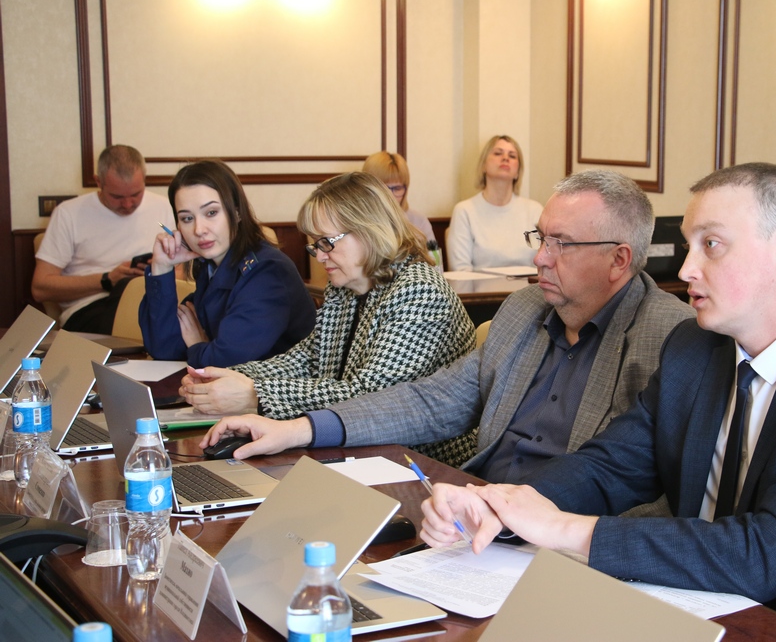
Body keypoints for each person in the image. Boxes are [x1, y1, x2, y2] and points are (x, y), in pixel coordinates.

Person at [419, 163, 776, 612]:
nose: (688, 268)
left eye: (712, 245)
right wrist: (500, 505)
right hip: (706, 605)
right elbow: (611, 466)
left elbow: (769, 555)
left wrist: (564, 529)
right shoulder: (696, 347)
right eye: (688, 246)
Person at [200, 170, 695, 480]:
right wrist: (299, 430)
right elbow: (432, 401)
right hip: (471, 501)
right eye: (540, 238)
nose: (539, 257)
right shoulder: (524, 310)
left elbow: (648, 487)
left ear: (618, 260)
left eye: (560, 244)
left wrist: (261, 396)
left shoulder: (668, 337)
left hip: (558, 535)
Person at [179, 171, 475, 420]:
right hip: (361, 441)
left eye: (326, 243)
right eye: (315, 245)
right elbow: (306, 360)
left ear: (369, 230)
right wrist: (219, 378)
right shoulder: (345, 287)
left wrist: (255, 394)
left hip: (422, 456)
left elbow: (372, 397)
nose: (320, 256)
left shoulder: (419, 291)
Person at [138, 159, 316, 368]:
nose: (199, 230)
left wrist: (197, 345)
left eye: (211, 213)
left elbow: (226, 360)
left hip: (276, 388)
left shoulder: (268, 272)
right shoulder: (210, 265)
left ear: (237, 212)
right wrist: (161, 268)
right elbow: (164, 348)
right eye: (187, 218)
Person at [32, 145, 174, 333]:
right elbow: (40, 288)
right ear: (98, 182)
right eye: (117, 196)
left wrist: (154, 274)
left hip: (150, 300)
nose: (128, 204)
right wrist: (107, 280)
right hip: (91, 308)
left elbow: (181, 270)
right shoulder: (68, 214)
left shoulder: (164, 207)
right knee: (134, 308)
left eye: (136, 194)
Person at [446, 135, 543, 271]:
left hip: (529, 284)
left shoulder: (535, 210)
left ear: (518, 172)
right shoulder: (464, 210)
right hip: (479, 285)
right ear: (483, 165)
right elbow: (460, 270)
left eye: (512, 156)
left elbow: (545, 263)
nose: (505, 158)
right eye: (498, 153)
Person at [362, 151, 436, 244]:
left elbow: (432, 253)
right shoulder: (357, 220)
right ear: (367, 187)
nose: (390, 196)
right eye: (383, 188)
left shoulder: (419, 221)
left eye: (397, 188)